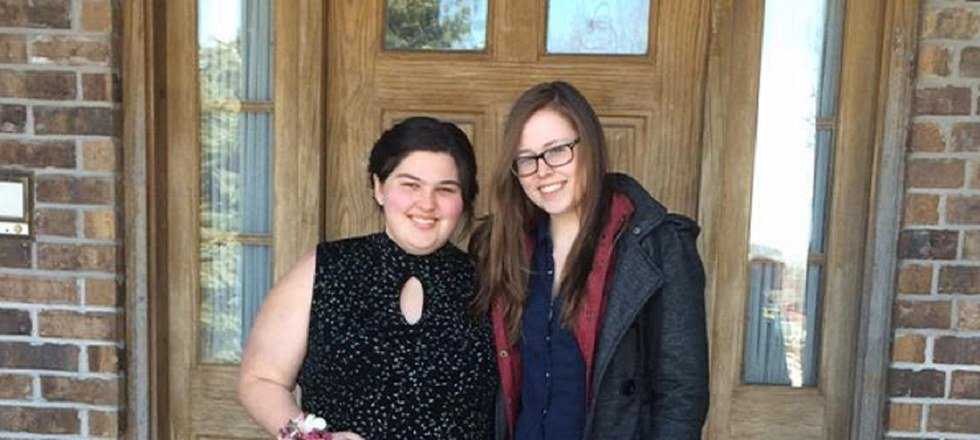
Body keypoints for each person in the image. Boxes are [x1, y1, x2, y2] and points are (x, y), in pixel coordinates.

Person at [470, 81, 709, 440]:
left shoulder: (658, 245)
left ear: (590, 147)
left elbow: (681, 395)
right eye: (527, 158)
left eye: (557, 150)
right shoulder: (501, 246)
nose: (542, 170)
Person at [239, 117, 498, 439]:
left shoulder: (488, 284)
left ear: (464, 200)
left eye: (445, 189)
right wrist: (310, 438)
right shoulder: (326, 268)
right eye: (410, 185)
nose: (427, 204)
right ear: (379, 187)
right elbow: (261, 380)